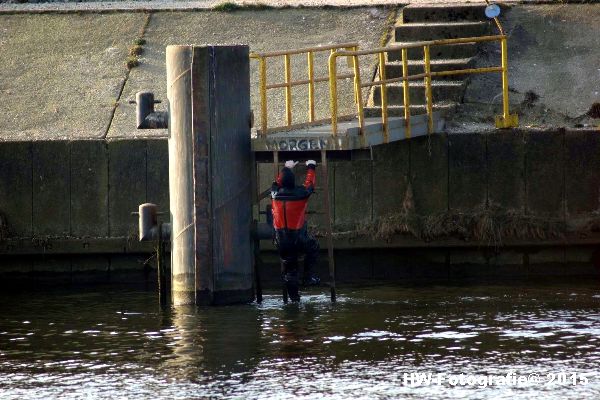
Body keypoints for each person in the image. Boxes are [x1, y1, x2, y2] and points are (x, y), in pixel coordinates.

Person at [271, 159, 321, 302]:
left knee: (290, 270)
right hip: (298, 238)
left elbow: (276, 183)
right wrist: (311, 166)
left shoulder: (274, 194)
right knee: (313, 247)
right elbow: (309, 185)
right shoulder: (300, 194)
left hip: (281, 240)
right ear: (293, 182)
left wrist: (287, 167)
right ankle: (308, 277)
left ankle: (294, 300)